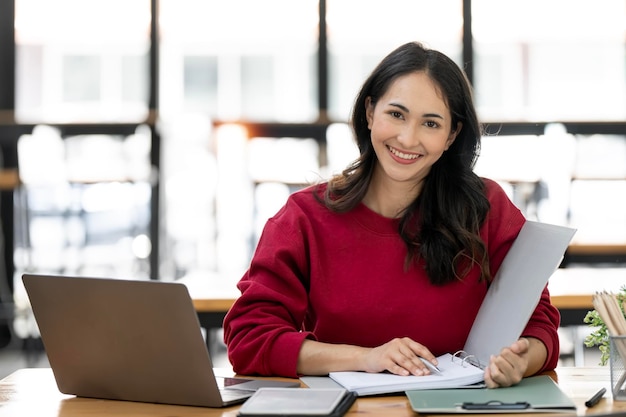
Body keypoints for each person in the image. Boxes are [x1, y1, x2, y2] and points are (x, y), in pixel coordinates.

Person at [223, 42, 560, 388]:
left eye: (430, 123)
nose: (408, 138)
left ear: (451, 135)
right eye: (396, 114)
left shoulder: (486, 208)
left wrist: (521, 361)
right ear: (370, 112)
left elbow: (538, 324)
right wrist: (366, 358)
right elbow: (249, 339)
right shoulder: (304, 218)